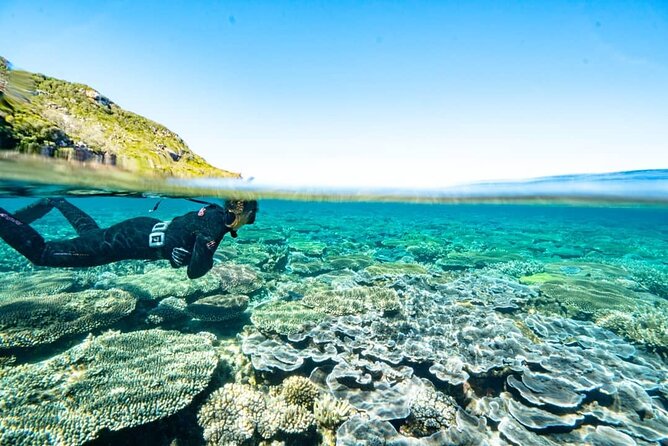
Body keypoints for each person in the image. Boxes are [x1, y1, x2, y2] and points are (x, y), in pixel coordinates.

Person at [0, 197, 258, 279]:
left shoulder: (212, 210)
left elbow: (186, 227)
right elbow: (195, 272)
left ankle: (55, 201)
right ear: (243, 212)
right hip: (135, 240)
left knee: (94, 236)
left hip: (145, 229)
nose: (253, 220)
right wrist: (197, 257)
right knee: (43, 254)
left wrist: (178, 249)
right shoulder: (216, 227)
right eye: (252, 214)